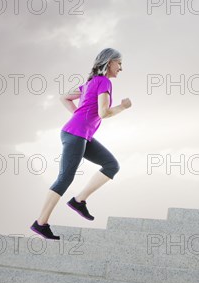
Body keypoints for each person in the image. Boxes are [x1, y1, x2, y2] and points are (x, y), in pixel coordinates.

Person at [30, 48, 132, 240]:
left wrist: (79, 117)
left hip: (80, 134)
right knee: (64, 179)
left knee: (111, 165)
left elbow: (64, 97)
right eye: (119, 63)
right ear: (109, 62)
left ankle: (79, 201)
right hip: (76, 135)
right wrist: (123, 107)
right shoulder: (104, 82)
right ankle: (40, 223)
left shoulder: (90, 83)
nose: (121, 68)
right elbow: (104, 113)